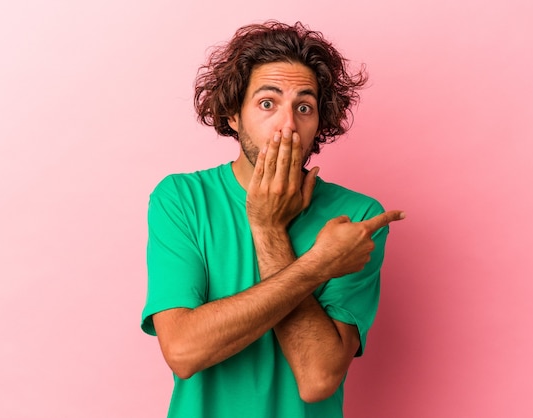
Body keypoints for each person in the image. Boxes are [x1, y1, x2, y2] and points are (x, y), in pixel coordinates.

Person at [141, 20, 405, 418]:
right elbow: (183, 351)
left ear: (320, 123)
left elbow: (318, 379)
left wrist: (269, 231)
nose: (287, 127)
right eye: (267, 104)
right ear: (233, 115)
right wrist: (317, 264)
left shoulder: (358, 217)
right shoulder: (181, 199)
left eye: (304, 107)